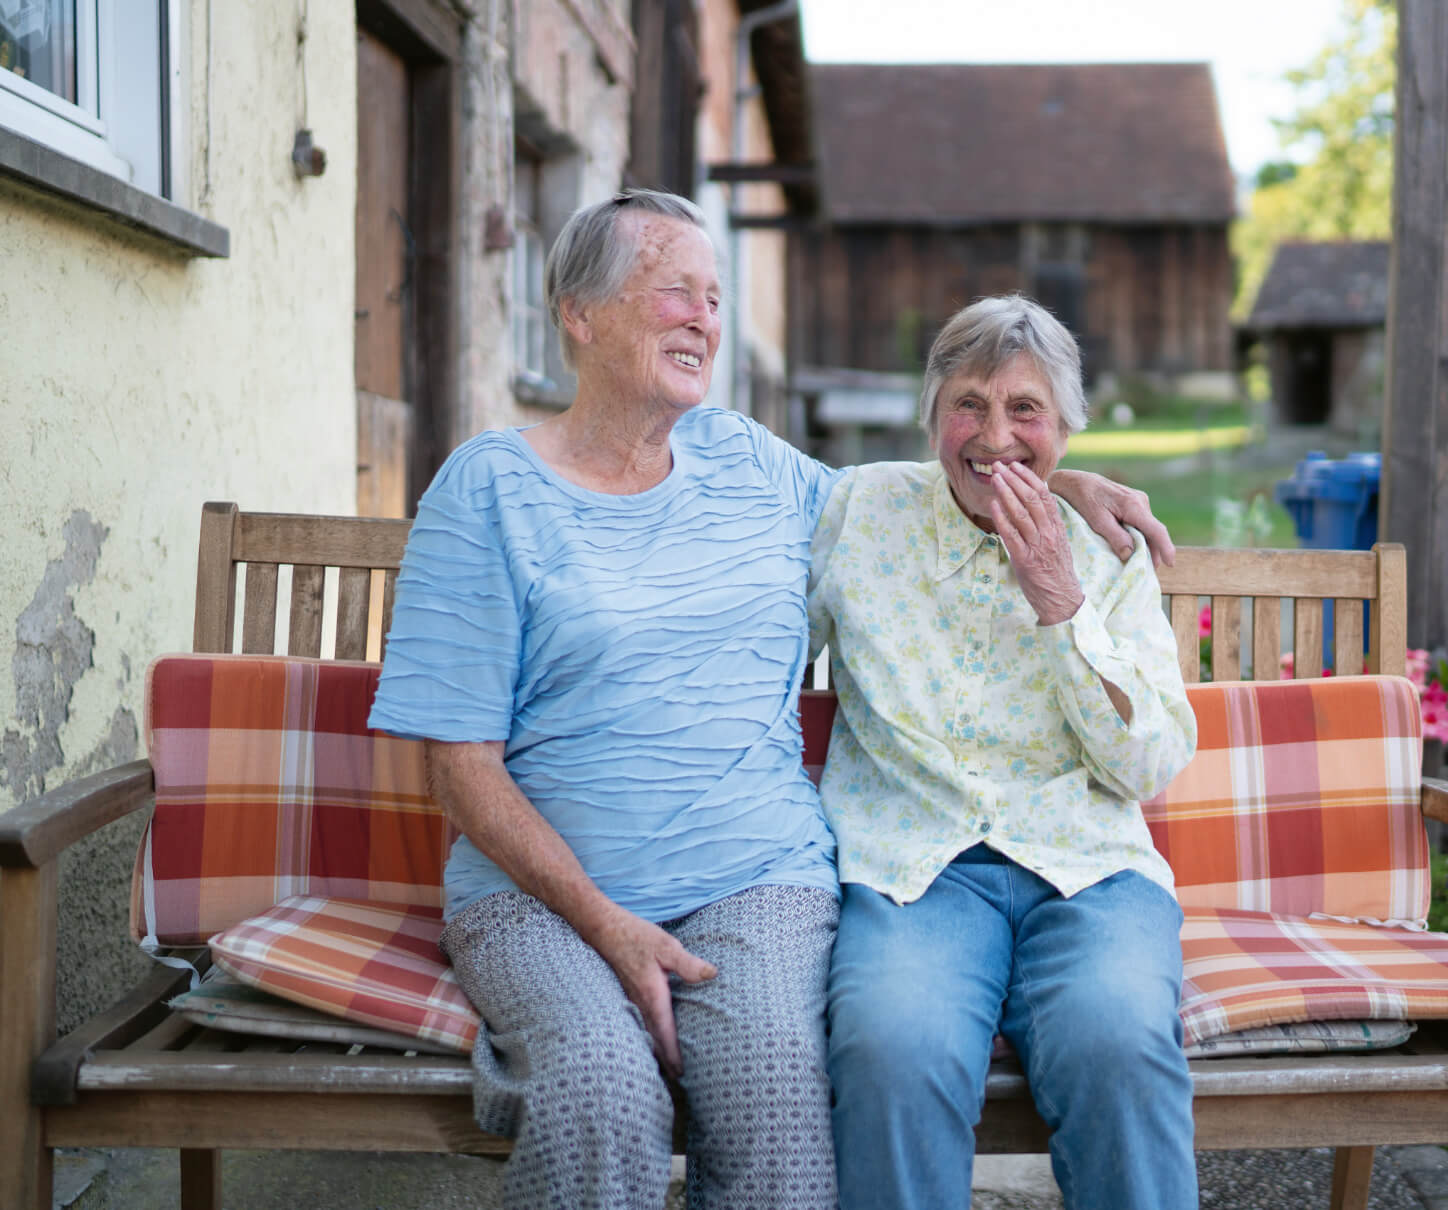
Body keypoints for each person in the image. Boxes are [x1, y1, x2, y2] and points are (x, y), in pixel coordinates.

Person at [365, 191, 1169, 1210]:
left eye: (713, 296)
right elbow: (459, 767)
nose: (704, 317)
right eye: (674, 293)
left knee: (783, 1119)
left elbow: (931, 495)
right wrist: (611, 926)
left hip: (756, 881)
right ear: (579, 311)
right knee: (600, 1095)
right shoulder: (486, 492)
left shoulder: (750, 464)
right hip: (547, 899)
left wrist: (1063, 481)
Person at [813, 296, 1200, 1210]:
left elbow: (1148, 763)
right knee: (888, 1046)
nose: (994, 433)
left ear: (1066, 426)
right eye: (968, 405)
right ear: (932, 416)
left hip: (1089, 873)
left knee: (1121, 1042)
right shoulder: (860, 512)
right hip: (916, 868)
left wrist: (1063, 606)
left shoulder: (1106, 555)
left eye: (1025, 409)